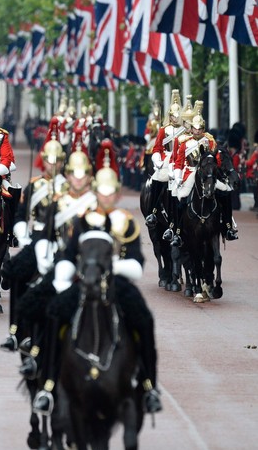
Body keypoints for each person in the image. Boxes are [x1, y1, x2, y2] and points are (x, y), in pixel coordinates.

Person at [32, 166, 162, 416]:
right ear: (94, 193)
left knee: (144, 321)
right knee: (53, 315)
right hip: (83, 282)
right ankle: (47, 387)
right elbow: (69, 255)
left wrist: (110, 266)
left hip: (117, 284)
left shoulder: (126, 221)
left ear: (116, 194)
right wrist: (62, 278)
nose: (105, 198)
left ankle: (149, 386)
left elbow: (136, 264)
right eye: (101, 193)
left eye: (110, 193)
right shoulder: (82, 220)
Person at [172, 105, 238, 242]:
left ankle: (228, 227)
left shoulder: (210, 141)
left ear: (203, 128)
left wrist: (220, 173)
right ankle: (177, 231)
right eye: (195, 129)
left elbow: (218, 161)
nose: (197, 131)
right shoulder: (185, 143)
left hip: (209, 175)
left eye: (200, 129)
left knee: (226, 192)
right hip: (191, 173)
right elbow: (179, 162)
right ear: (192, 129)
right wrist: (178, 176)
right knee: (181, 198)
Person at [145, 90, 182, 230]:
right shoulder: (163, 130)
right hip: (167, 159)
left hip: (181, 160)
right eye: (174, 116)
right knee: (157, 179)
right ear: (170, 116)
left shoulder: (186, 130)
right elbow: (157, 148)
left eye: (178, 116)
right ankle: (153, 212)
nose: (176, 118)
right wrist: (158, 161)